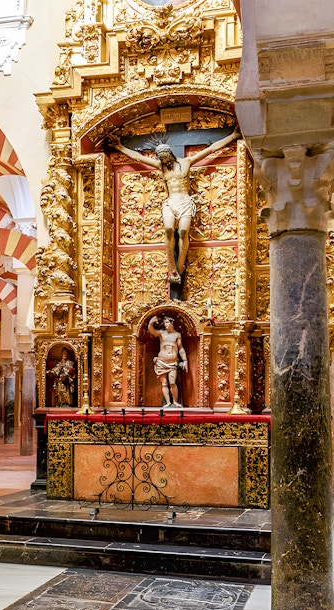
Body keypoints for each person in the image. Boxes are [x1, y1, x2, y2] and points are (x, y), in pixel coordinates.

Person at [110, 128, 241, 283]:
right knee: (168, 229)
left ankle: (180, 267)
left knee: (184, 231)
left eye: (167, 159)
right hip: (170, 202)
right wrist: (120, 147)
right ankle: (171, 267)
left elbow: (211, 149)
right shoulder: (161, 166)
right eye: (162, 159)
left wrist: (232, 136)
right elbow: (138, 158)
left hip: (185, 201)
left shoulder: (186, 162)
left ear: (170, 154)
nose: (165, 162)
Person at [148, 314, 188, 408]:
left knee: (172, 382)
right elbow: (152, 330)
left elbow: (181, 348)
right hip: (161, 361)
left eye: (167, 322)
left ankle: (175, 401)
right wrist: (152, 322)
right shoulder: (162, 333)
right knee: (164, 383)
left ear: (172, 323)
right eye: (164, 322)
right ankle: (168, 402)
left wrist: (185, 360)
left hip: (173, 362)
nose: (165, 324)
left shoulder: (177, 335)